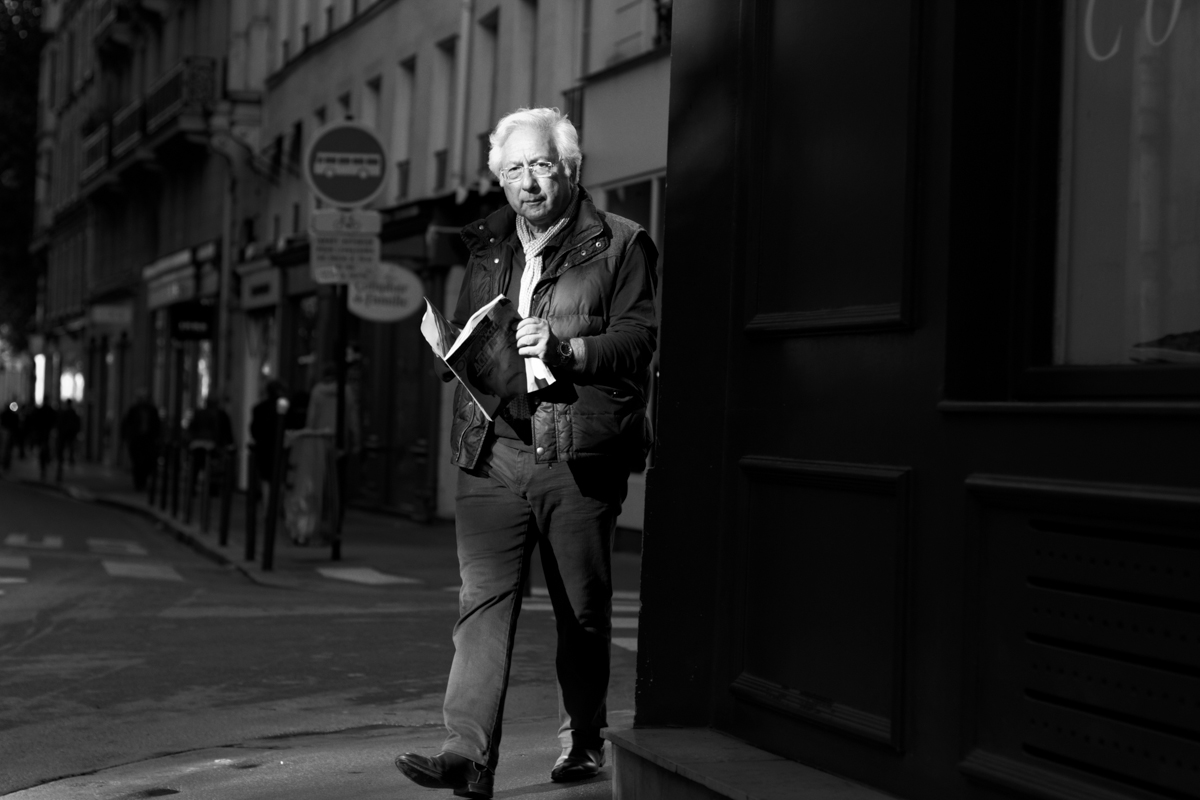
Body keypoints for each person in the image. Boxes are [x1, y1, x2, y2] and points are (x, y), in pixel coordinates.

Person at [394, 107, 658, 799]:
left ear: (569, 168)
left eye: (541, 165)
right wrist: (456, 356)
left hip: (576, 453)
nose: (528, 182)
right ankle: (467, 756)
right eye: (513, 169)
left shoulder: (623, 243)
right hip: (492, 450)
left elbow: (638, 341)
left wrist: (567, 350)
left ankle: (582, 742)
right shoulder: (485, 246)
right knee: (482, 602)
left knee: (582, 609)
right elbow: (478, 337)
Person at [121, 390, 161, 490]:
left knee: (147, 462)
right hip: (136, 440)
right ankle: (138, 483)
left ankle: (142, 481)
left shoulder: (152, 410)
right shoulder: (134, 410)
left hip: (148, 440)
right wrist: (126, 437)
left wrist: (157, 438)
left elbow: (157, 425)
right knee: (137, 462)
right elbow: (126, 424)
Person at [27, 402, 58, 482]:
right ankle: (46, 463)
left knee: (44, 450)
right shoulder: (49, 412)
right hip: (45, 435)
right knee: (45, 450)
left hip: (42, 435)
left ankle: (44, 466)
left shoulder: (40, 412)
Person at [54, 399, 81, 482]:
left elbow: (59, 424)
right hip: (69, 435)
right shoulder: (72, 413)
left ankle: (63, 464)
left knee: (62, 451)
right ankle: (70, 460)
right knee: (70, 448)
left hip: (65, 435)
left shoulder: (65, 413)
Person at [0, 400, 18, 473]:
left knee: (5, 450)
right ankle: (6, 465)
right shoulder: (12, 415)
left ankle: (5, 464)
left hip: (7, 432)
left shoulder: (5, 414)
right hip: (9, 432)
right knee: (7, 450)